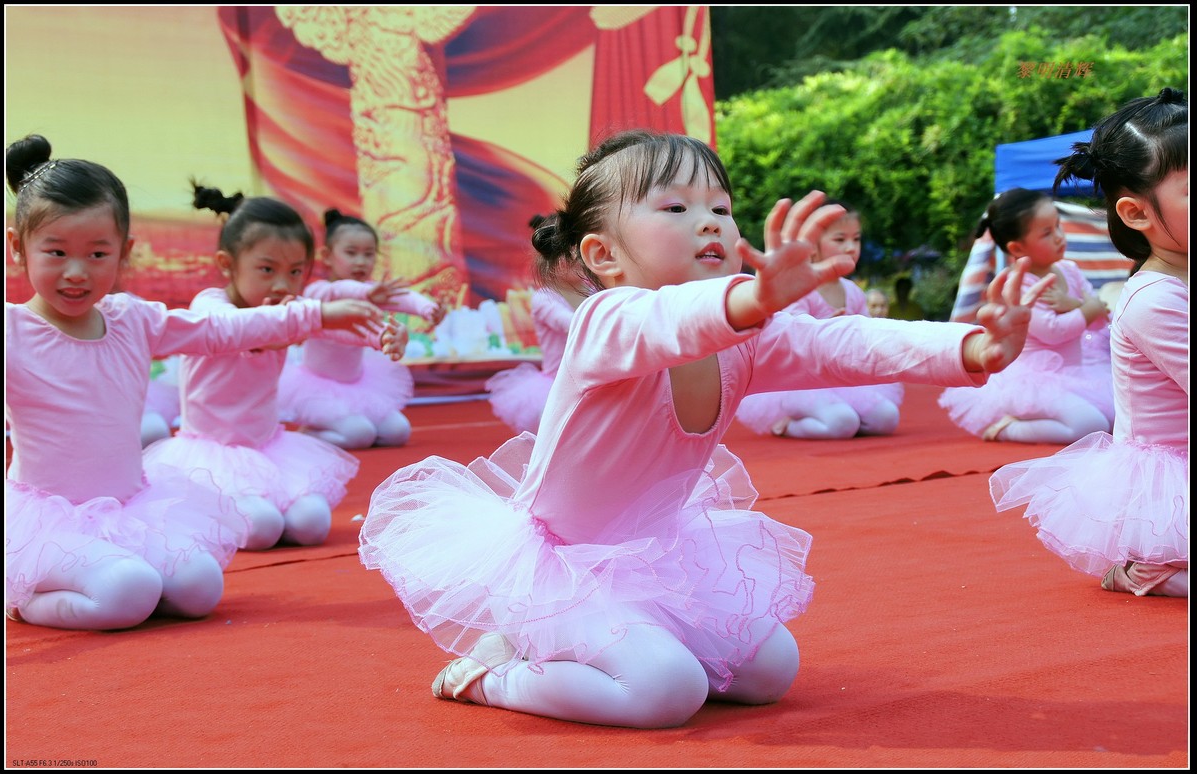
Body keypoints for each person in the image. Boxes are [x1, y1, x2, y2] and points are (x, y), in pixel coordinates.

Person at [358, 129, 1052, 729]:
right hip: (559, 569)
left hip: (657, 555)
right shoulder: (608, 323)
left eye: (720, 207)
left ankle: (615, 644)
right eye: (677, 208)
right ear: (603, 256)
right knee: (668, 689)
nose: (710, 222)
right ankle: (496, 673)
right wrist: (754, 297)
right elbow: (676, 321)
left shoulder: (745, 337)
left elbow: (841, 344)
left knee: (770, 672)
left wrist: (972, 349)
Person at [3, 135, 387, 630]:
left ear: (125, 253)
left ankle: (112, 577)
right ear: (18, 248)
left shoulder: (132, 319)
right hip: (48, 523)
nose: (76, 272)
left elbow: (224, 329)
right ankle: (25, 598)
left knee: (200, 586)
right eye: (55, 252)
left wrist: (320, 314)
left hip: (128, 508)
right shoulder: (13, 331)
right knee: (129, 589)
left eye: (98, 254)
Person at [991, 87, 1188, 597]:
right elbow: (1061, 329)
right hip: (1169, 475)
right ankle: (1151, 564)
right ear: (1136, 213)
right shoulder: (1154, 299)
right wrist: (1091, 309)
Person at [144, 186, 407, 551]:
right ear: (226, 264)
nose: (282, 284)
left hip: (269, 450)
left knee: (312, 524)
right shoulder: (211, 307)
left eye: (296, 271)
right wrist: (311, 316)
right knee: (263, 527)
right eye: (266, 270)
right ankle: (205, 508)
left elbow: (334, 329)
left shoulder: (288, 311)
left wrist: (383, 334)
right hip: (211, 456)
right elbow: (249, 330)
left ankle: (251, 507)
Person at [938, 187, 1114, 443]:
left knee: (1116, 419)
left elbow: (1101, 319)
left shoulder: (1070, 270)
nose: (1059, 237)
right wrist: (1086, 307)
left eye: (1057, 226)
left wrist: (1075, 304)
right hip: (1033, 382)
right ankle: (1008, 428)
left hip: (1078, 373)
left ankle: (1042, 418)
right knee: (1090, 425)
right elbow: (1055, 331)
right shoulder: (1018, 285)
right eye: (1047, 233)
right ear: (1017, 248)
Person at [277, 208, 444, 450]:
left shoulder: (372, 291)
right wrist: (365, 293)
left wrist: (428, 309)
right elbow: (342, 290)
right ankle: (306, 436)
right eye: (351, 253)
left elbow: (404, 297)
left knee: (398, 432)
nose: (361, 261)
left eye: (368, 255)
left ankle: (346, 425)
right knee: (361, 435)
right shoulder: (318, 292)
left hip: (360, 385)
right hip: (318, 389)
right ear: (327, 255)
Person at [735, 202, 905, 439]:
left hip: (842, 379)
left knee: (887, 418)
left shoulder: (853, 291)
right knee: (842, 423)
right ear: (813, 246)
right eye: (839, 240)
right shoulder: (800, 290)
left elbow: (866, 334)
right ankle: (788, 425)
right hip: (800, 382)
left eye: (855, 239)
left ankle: (845, 415)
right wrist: (824, 329)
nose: (850, 247)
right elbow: (788, 335)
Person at [485, 215, 589, 435]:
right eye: (573, 256)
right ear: (553, 263)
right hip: (557, 385)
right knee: (560, 432)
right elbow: (571, 324)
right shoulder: (545, 299)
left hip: (592, 378)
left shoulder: (592, 289)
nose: (581, 262)